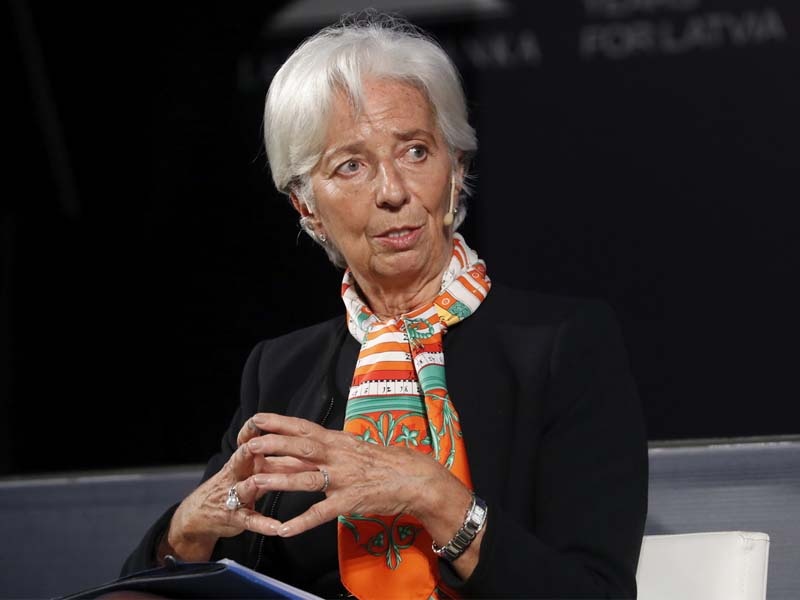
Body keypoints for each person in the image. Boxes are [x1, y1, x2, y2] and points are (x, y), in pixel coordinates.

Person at [121, 11, 648, 599]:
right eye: (351, 166)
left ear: (456, 170)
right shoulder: (280, 372)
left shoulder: (562, 346)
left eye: (416, 151)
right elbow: (167, 587)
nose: (393, 191)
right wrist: (183, 532)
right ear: (306, 208)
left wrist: (434, 497)